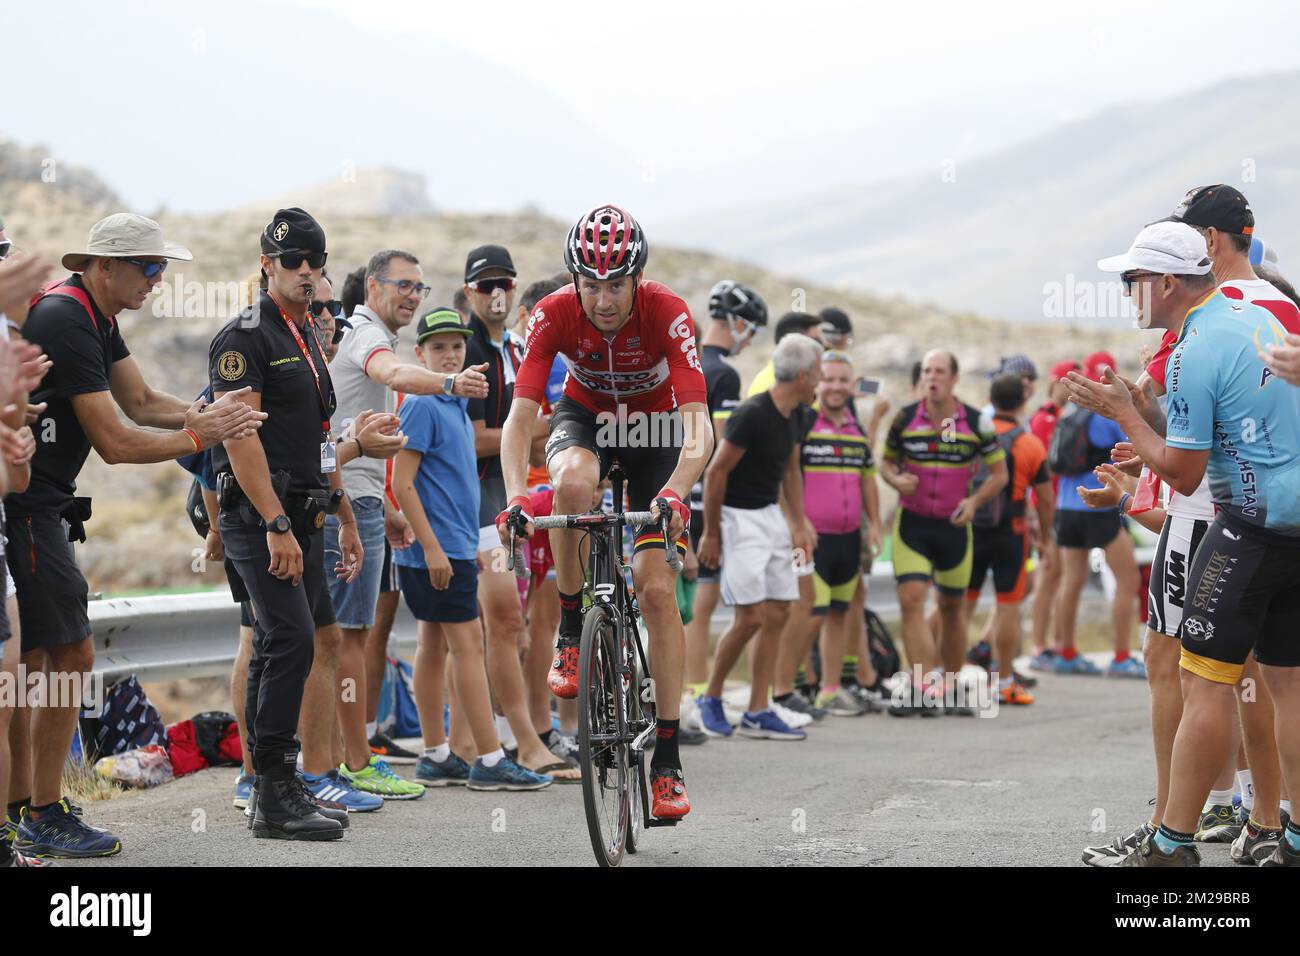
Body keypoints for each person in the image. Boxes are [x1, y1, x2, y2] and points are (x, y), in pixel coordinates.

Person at [7, 213, 263, 858]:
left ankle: (24, 810)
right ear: (104, 266)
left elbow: (143, 400)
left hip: (41, 506)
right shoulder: (67, 318)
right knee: (69, 658)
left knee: (34, 668)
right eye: (150, 268)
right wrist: (202, 436)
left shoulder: (93, 314)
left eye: (163, 269)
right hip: (29, 508)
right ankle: (42, 810)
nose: (158, 280)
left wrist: (210, 412)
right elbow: (118, 443)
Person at [1070, 220, 1300, 866]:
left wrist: (1121, 413)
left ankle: (1170, 843)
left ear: (1168, 282)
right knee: (1286, 686)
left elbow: (1183, 471)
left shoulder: (1197, 346)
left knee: (1202, 685)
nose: (1127, 295)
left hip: (1245, 528)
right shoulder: (1267, 304)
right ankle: (1286, 836)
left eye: (1131, 281)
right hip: (1294, 522)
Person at [498, 204, 712, 818]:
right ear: (574, 280)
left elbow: (700, 431)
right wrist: (517, 496)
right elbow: (519, 423)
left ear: (636, 278)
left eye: (616, 283)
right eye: (590, 284)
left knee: (655, 592)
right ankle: (571, 627)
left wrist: (675, 491)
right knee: (568, 486)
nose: (604, 299)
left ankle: (667, 762)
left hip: (654, 429)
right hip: (587, 417)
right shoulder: (552, 313)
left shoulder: (668, 313)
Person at [209, 207, 367, 840]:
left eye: (313, 262)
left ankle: (277, 781)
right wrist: (274, 524)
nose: (305, 272)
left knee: (295, 640)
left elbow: (321, 437)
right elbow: (242, 440)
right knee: (291, 639)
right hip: (260, 514)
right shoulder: (245, 336)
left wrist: (341, 516)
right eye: (291, 261)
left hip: (304, 512)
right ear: (266, 266)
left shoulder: (303, 332)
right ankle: (272, 790)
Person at [326, 248, 487, 793]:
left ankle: (342, 761)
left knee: (349, 636)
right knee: (347, 638)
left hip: (360, 498)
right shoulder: (366, 335)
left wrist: (390, 510)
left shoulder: (369, 334)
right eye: (404, 285)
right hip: (346, 499)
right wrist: (449, 382)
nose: (414, 296)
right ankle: (350, 762)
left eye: (421, 288)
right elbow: (389, 372)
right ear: (373, 286)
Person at [391, 309, 553, 790]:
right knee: (467, 646)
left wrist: (470, 549)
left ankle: (438, 754)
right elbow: (403, 484)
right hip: (435, 554)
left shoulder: (454, 407)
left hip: (458, 548)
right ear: (419, 354)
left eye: (456, 347)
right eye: (438, 348)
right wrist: (434, 549)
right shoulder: (421, 403)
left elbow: (455, 488)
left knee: (435, 643)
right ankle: (487, 759)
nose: (450, 356)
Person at [461, 244, 575, 781]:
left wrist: (533, 435)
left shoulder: (509, 350)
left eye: (505, 283)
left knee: (510, 627)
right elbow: (467, 436)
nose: (497, 293)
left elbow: (520, 438)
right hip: (475, 504)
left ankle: (477, 745)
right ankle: (518, 743)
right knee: (502, 625)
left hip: (500, 501)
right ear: (469, 293)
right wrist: (547, 429)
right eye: (486, 286)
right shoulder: (465, 349)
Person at [695, 333, 821, 740]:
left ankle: (758, 708)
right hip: (737, 518)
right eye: (817, 373)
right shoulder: (752, 413)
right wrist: (711, 534)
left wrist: (798, 524)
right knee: (750, 616)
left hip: (770, 516)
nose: (819, 381)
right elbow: (716, 473)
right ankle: (710, 698)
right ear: (802, 375)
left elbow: (790, 470)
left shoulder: (800, 415)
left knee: (781, 611)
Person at [878, 349, 1008, 716]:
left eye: (939, 372)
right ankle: (922, 685)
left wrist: (974, 503)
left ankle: (949, 687)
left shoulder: (975, 421)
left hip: (954, 527)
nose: (931, 378)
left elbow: (1000, 475)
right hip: (913, 525)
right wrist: (894, 478)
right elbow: (885, 462)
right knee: (911, 599)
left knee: (952, 610)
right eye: (926, 372)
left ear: (953, 378)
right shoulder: (905, 418)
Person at [682, 279, 767, 736]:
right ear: (735, 323)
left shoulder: (690, 362)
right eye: (750, 331)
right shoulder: (726, 375)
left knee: (687, 605)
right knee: (702, 604)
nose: (748, 339)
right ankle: (699, 695)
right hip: (700, 504)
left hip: (674, 495)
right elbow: (718, 449)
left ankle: (688, 694)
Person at [1049, 350, 1143, 678]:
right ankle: (1120, 657)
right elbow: (1136, 451)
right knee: (1128, 579)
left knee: (1071, 580)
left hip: (1065, 505)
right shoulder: (1106, 416)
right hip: (1098, 504)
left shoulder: (1068, 413)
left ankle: (1066, 653)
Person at [799, 351, 882, 716]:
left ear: (851, 385)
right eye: (828, 379)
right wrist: (794, 524)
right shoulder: (803, 422)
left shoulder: (855, 427)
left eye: (841, 380)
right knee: (809, 614)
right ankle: (782, 687)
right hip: (811, 538)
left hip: (848, 538)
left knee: (837, 613)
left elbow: (868, 479)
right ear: (817, 382)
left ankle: (829, 690)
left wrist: (875, 524)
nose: (835, 387)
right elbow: (785, 480)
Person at [962, 374, 1054, 706]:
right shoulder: (1029, 443)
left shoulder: (973, 437)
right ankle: (1004, 682)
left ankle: (944, 675)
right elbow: (1045, 498)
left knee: (960, 605)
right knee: (1007, 606)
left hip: (971, 529)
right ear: (1022, 403)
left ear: (991, 397)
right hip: (1011, 533)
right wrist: (1045, 537)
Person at [746, 312, 823, 396]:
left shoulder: (809, 379)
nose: (821, 347)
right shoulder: (769, 388)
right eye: (815, 341)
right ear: (792, 345)